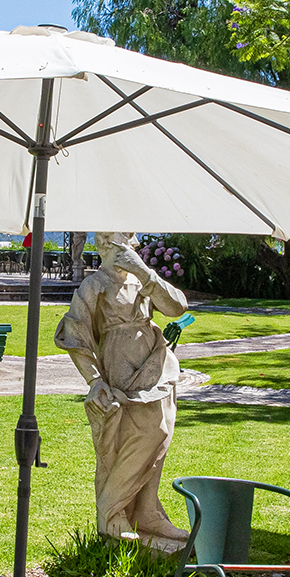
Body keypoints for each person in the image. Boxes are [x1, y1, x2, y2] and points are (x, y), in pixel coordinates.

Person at [55, 231, 191, 546]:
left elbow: (177, 307)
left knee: (161, 436)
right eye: (105, 238)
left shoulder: (142, 280)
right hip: (122, 370)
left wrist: (143, 271)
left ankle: (147, 510)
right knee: (137, 438)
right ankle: (111, 511)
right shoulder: (94, 285)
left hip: (156, 365)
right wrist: (94, 380)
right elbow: (73, 334)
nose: (112, 244)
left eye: (120, 238)